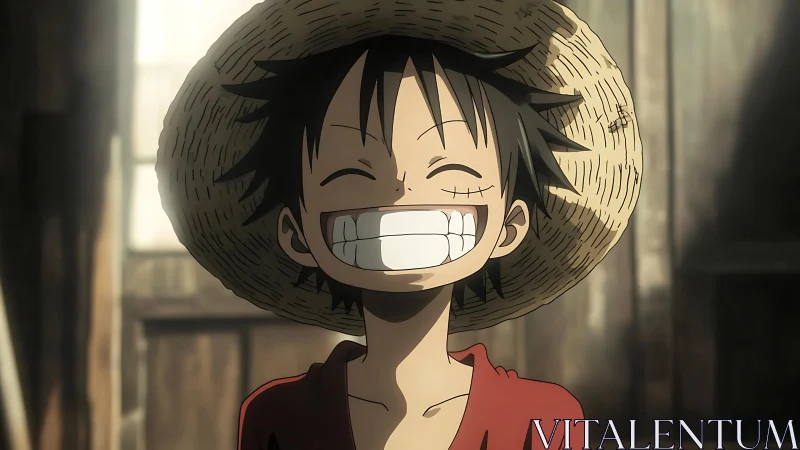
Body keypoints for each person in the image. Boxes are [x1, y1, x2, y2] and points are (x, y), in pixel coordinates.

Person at [156, 1, 642, 449]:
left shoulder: (543, 420)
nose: (399, 196)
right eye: (353, 176)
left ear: (509, 226)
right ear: (296, 233)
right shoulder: (278, 417)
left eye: (449, 174)